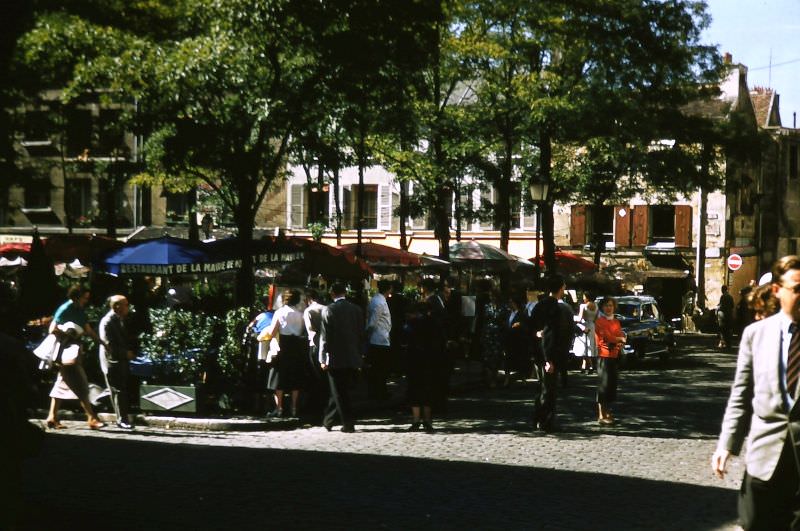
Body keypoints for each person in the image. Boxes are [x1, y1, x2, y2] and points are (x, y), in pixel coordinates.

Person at [712, 255, 800, 530]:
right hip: (764, 458)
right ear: (778, 290)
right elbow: (740, 395)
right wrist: (727, 444)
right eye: (797, 288)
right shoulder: (756, 335)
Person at [44, 285, 105, 430]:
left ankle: (52, 417)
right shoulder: (66, 308)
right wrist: (69, 333)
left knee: (61, 383)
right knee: (81, 384)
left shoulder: (79, 310)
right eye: (85, 298)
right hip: (67, 352)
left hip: (74, 350)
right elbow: (52, 328)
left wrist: (102, 343)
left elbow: (88, 330)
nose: (86, 300)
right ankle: (91, 418)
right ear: (77, 297)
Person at [529, 274, 573, 432]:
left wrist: (536, 337)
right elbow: (550, 334)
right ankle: (545, 421)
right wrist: (549, 359)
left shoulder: (539, 305)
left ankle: (537, 419)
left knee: (542, 388)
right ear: (562, 288)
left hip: (539, 352)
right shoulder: (555, 307)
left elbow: (533, 329)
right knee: (549, 390)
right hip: (550, 354)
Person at [319, 282, 364, 433]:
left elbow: (325, 337)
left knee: (339, 391)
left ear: (332, 294)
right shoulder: (356, 310)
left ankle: (348, 423)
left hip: (335, 356)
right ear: (345, 292)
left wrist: (323, 358)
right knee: (340, 390)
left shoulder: (329, 310)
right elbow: (360, 334)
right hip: (352, 355)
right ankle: (329, 421)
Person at [264, 289, 306, 418]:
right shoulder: (300, 314)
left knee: (278, 378)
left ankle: (279, 407)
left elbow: (272, 332)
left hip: (283, 345)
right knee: (295, 378)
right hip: (297, 346)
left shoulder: (280, 312)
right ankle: (294, 407)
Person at [99, 295, 135, 430]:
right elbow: (108, 345)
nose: (128, 307)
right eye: (125, 305)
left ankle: (94, 402)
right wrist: (125, 353)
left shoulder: (120, 319)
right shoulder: (108, 321)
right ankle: (122, 420)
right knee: (118, 390)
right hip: (112, 361)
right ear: (116, 307)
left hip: (120, 360)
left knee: (116, 389)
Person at [403, 301, 441, 432]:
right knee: (427, 390)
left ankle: (416, 420)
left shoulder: (411, 324)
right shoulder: (434, 323)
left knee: (414, 389)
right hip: (429, 360)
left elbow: (406, 339)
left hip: (414, 359)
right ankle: (427, 419)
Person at [594, 296, 625, 425]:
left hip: (614, 355)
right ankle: (601, 414)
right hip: (604, 356)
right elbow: (607, 337)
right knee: (604, 386)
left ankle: (608, 412)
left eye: (611, 305)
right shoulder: (599, 321)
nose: (609, 308)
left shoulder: (616, 322)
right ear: (602, 307)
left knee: (612, 385)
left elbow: (621, 335)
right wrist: (619, 339)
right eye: (606, 305)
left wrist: (619, 339)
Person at [302, 288, 327, 425]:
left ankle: (316, 407)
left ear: (309, 299)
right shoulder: (326, 308)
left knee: (315, 376)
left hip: (314, 344)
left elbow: (309, 329)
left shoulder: (309, 311)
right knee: (324, 376)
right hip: (326, 344)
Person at [365, 279, 392, 400]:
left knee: (379, 368)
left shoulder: (377, 300)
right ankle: (379, 393)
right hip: (379, 339)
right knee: (380, 368)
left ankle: (379, 391)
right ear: (389, 289)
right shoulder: (379, 302)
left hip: (380, 338)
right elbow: (372, 323)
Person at [480, 289, 507, 389]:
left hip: (498, 334)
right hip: (488, 333)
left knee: (496, 357)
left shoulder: (503, 307)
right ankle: (488, 378)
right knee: (487, 356)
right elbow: (483, 320)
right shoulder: (487, 307)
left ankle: (493, 378)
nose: (492, 298)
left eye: (494, 296)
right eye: (491, 296)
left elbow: (505, 320)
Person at [504, 292, 531, 387]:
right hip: (509, 339)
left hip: (519, 340)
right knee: (508, 360)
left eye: (511, 302)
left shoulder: (522, 314)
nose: (510, 304)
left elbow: (528, 326)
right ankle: (506, 379)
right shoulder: (508, 313)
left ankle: (523, 379)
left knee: (521, 360)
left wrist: (520, 325)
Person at [575, 292, 598, 374]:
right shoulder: (596, 306)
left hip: (585, 326)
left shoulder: (583, 306)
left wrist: (573, 317)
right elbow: (596, 318)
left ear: (587, 297)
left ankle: (591, 366)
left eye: (584, 297)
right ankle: (584, 366)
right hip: (592, 326)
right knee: (589, 345)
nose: (583, 298)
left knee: (584, 346)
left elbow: (580, 318)